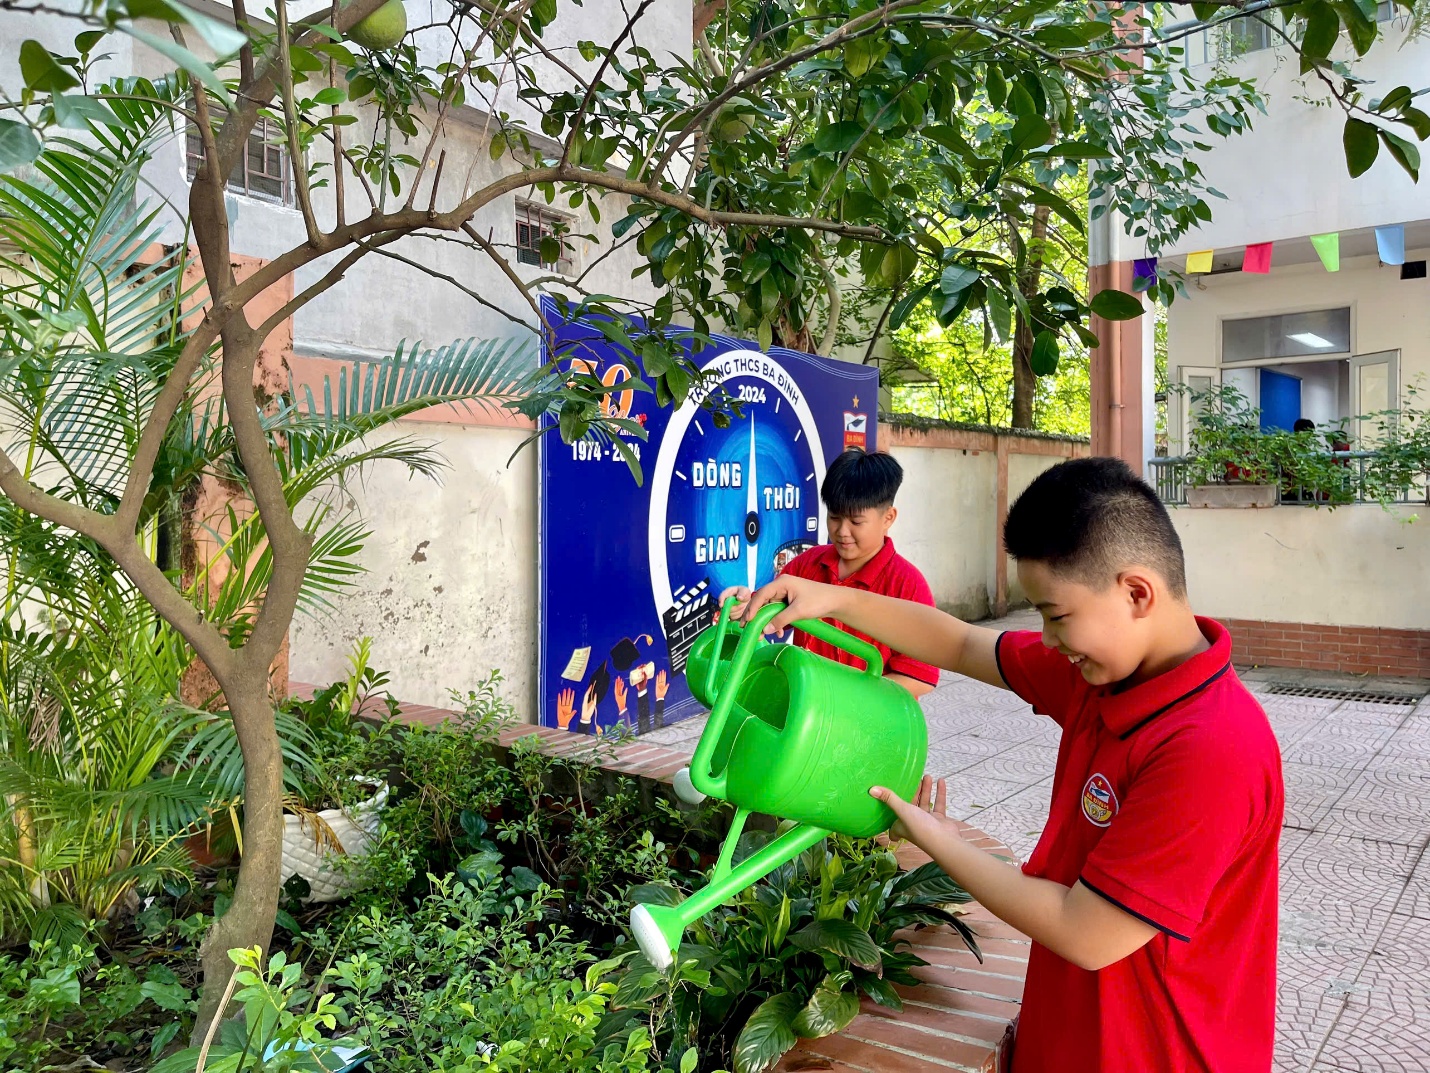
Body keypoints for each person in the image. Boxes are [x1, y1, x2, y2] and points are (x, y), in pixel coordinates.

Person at [738, 457, 1283, 1073]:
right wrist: (830, 598)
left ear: (1136, 593)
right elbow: (964, 643)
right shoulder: (1105, 675)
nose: (1047, 640)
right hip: (1071, 1038)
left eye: (1055, 615)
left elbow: (1087, 932)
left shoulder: (1210, 748)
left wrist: (936, 838)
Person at [721, 448, 939, 698]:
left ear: (888, 518)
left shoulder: (908, 585)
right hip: (811, 713)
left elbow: (920, 676)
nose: (842, 531)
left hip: (868, 722)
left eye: (856, 522)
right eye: (834, 518)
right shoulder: (806, 567)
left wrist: (845, 699)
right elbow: (767, 608)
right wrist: (746, 602)